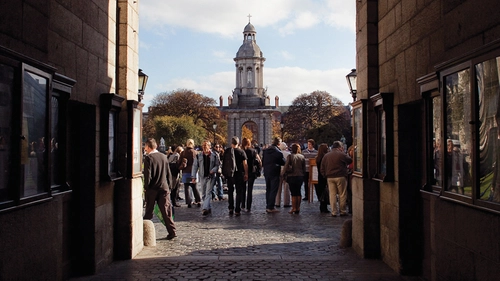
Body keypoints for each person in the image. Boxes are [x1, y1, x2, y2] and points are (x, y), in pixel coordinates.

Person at [143, 138, 177, 240]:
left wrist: (146, 187)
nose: (145, 149)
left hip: (152, 189)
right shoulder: (163, 157)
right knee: (166, 211)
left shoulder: (148, 158)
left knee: (149, 211)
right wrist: (170, 186)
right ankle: (172, 231)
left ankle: (144, 233)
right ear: (156, 146)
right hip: (164, 187)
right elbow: (168, 173)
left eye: (145, 147)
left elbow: (147, 175)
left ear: (148, 147)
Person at [320, 140, 352, 217]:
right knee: (342, 194)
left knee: (332, 194)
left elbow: (322, 167)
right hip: (340, 176)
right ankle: (342, 211)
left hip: (330, 177)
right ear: (339, 147)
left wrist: (325, 175)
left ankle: (334, 211)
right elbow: (350, 160)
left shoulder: (326, 155)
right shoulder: (341, 154)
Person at [191, 140, 221, 216]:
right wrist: (193, 177)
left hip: (210, 176)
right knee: (204, 194)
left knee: (208, 192)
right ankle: (208, 207)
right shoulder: (199, 156)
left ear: (209, 146)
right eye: (203, 145)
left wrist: (213, 170)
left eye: (206, 145)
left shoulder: (214, 155)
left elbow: (218, 165)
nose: (204, 147)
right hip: (202, 176)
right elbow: (195, 166)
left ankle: (204, 208)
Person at [222, 137, 248, 216]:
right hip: (239, 174)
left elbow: (223, 163)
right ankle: (237, 209)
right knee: (238, 192)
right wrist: (246, 173)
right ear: (238, 143)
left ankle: (230, 208)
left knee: (230, 191)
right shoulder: (241, 151)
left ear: (231, 143)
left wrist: (224, 173)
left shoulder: (227, 151)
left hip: (230, 174)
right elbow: (245, 164)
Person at [262, 137, 286, 213]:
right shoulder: (278, 153)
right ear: (279, 144)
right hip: (275, 172)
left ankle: (268, 205)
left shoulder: (265, 151)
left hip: (266, 172)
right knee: (273, 189)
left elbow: (263, 161)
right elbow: (283, 162)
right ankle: (271, 207)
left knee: (268, 189)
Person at [283, 143, 306, 214]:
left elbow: (286, 167)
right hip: (300, 176)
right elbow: (304, 168)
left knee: (293, 193)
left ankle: (294, 208)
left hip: (291, 176)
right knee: (298, 192)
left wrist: (283, 174)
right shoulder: (302, 157)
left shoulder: (290, 156)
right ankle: (298, 207)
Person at [178, 139, 202, 208]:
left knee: (187, 187)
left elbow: (179, 162)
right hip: (194, 172)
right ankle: (198, 200)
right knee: (195, 187)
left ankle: (189, 202)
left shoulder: (183, 152)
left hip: (185, 171)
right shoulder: (195, 152)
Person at [242, 137, 261, 212]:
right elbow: (259, 161)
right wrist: (259, 169)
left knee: (243, 189)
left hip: (243, 172)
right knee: (250, 190)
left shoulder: (241, 151)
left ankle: (242, 205)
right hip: (252, 172)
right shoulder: (253, 151)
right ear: (249, 143)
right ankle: (248, 207)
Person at [315, 143, 330, 213]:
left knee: (321, 192)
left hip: (319, 176)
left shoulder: (317, 158)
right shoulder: (325, 157)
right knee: (325, 192)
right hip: (324, 176)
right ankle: (324, 207)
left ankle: (322, 206)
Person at [276, 142, 291, 208]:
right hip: (286, 172)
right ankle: (286, 202)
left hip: (278, 171)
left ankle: (277, 202)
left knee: (278, 187)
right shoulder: (288, 154)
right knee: (286, 187)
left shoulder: (277, 153)